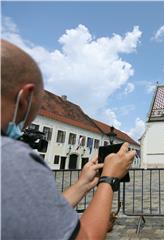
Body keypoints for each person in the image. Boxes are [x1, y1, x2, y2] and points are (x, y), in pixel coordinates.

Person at [1, 39, 135, 239]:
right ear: (26, 97)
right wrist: (109, 178)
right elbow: (87, 237)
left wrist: (82, 185)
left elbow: (42, 215)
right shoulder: (11, 159)